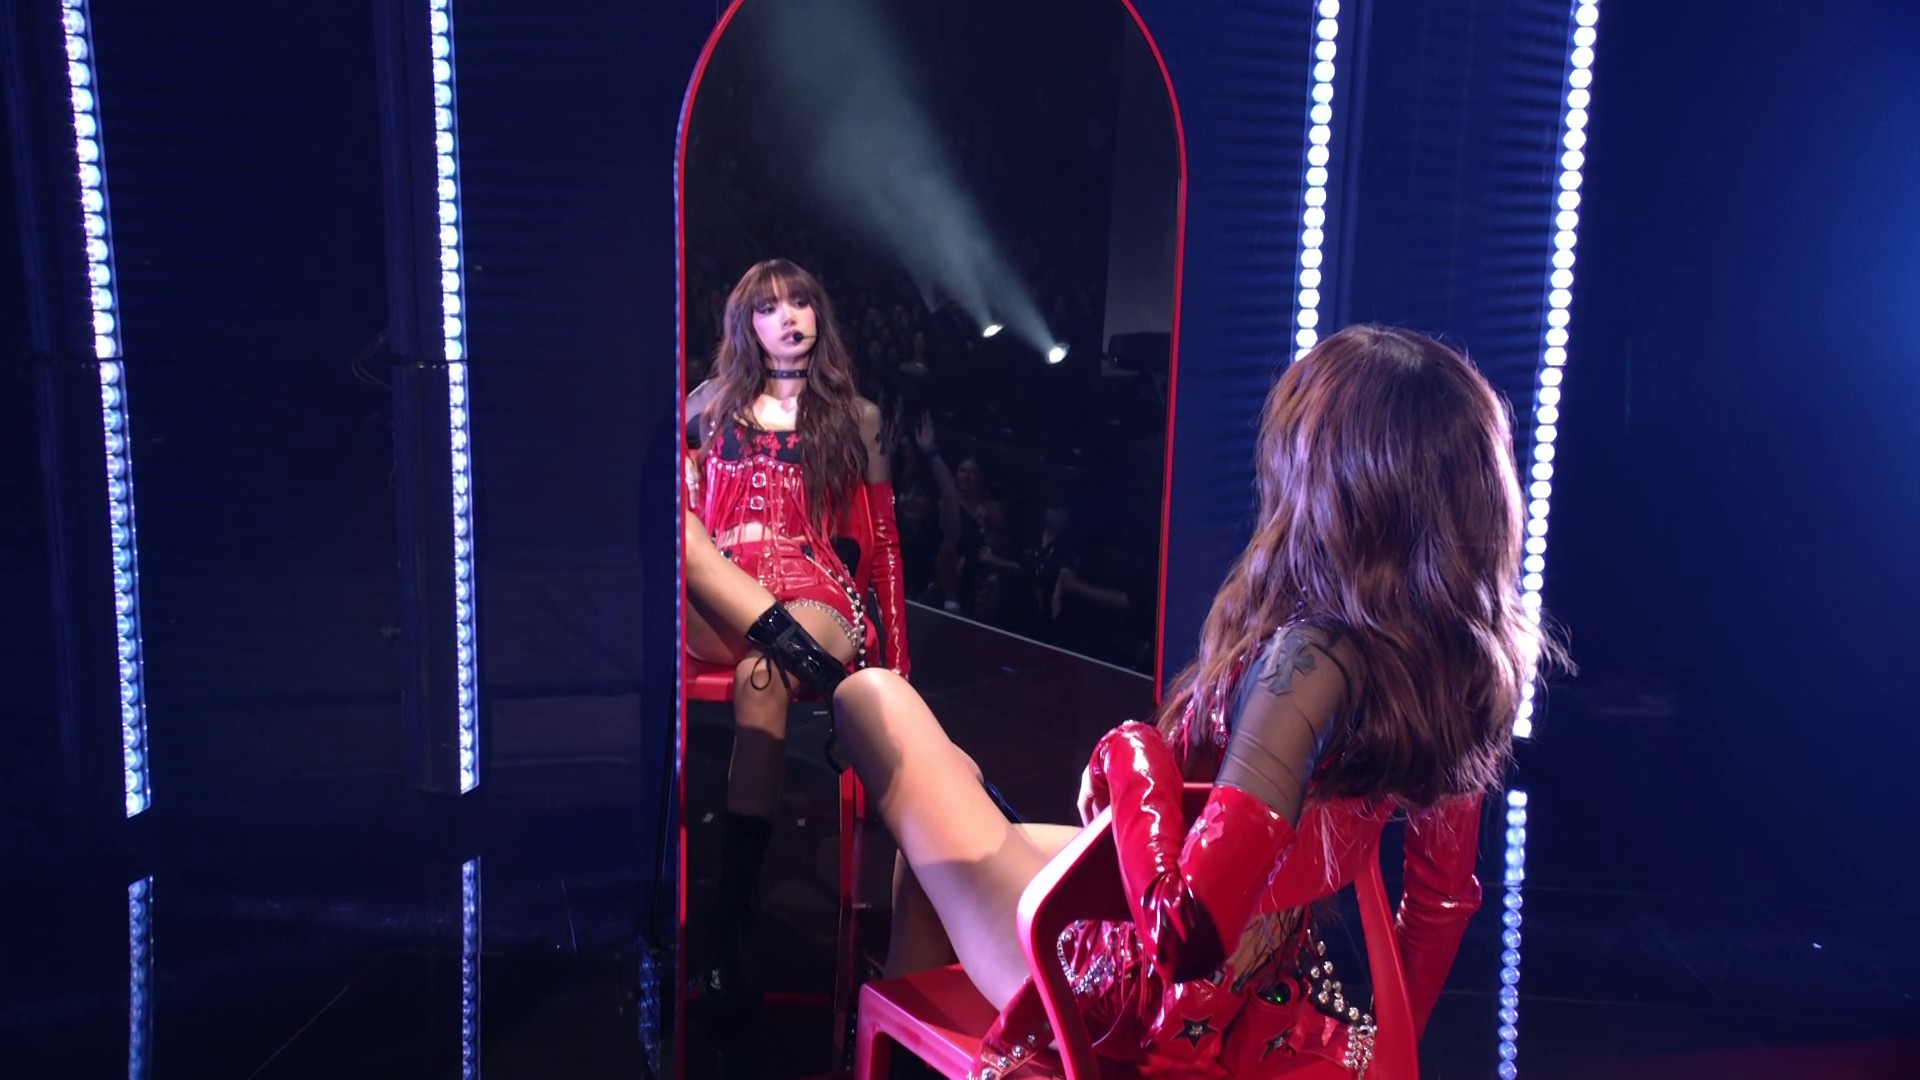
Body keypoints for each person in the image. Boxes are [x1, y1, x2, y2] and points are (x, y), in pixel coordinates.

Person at [710, 324, 1561, 1074]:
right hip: (1248, 985)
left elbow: (1186, 930)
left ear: (1334, 482)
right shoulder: (1455, 665)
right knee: (938, 830)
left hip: (1124, 992)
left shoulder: (1309, 662)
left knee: (873, 700)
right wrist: (1381, 1050)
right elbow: (1440, 904)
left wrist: (1132, 756)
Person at [682, 258, 909, 1011]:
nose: (789, 317)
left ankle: (728, 921)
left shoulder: (857, 416)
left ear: (820, 316)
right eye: (770, 306)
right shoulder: (708, 406)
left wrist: (898, 666)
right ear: (744, 324)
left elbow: (885, 545)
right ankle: (818, 669)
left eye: (802, 302)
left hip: (815, 589)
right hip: (724, 589)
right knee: (679, 529)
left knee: (763, 675)